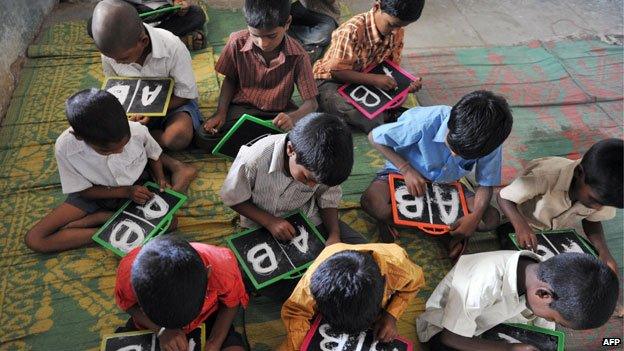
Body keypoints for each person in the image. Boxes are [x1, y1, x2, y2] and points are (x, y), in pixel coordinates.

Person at [24, 89, 195, 253]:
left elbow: (154, 154)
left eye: (124, 144)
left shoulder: (136, 130)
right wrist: (125, 192)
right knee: (35, 239)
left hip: (136, 185)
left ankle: (103, 220)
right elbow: (82, 191)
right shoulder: (65, 147)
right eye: (107, 151)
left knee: (170, 223)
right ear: (78, 136)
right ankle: (108, 230)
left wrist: (160, 178)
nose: (120, 152)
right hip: (95, 193)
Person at [361, 91, 513, 259]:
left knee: (490, 219)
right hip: (401, 174)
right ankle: (443, 231)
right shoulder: (422, 122)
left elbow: (486, 184)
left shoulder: (489, 142)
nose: (455, 155)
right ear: (450, 125)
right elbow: (374, 137)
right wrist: (406, 169)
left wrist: (475, 216)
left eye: (464, 154)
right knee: (372, 202)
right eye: (452, 146)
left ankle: (420, 223)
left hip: (447, 185)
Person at [416, 251, 619, 351]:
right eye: (558, 320)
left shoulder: (541, 272)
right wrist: (508, 349)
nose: (556, 322)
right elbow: (450, 339)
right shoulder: (482, 283)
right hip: (444, 329)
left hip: (491, 319)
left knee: (544, 339)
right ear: (542, 295)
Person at [220, 113, 367, 246]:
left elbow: (328, 197)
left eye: (317, 183)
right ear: (291, 150)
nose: (311, 186)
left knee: (364, 252)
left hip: (308, 216)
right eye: (307, 178)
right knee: (262, 272)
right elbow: (233, 198)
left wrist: (334, 235)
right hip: (260, 222)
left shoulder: (327, 168)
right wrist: (270, 222)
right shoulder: (254, 158)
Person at [195, 0, 318, 150]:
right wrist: (221, 113)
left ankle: (255, 143)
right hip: (242, 109)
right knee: (204, 135)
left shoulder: (299, 55)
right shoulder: (236, 42)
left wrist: (291, 118)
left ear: (287, 23)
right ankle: (265, 144)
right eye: (255, 35)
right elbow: (230, 80)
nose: (263, 43)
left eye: (271, 36)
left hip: (277, 115)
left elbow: (311, 104)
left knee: (310, 138)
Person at [497, 138, 623, 273]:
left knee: (573, 272)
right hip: (518, 224)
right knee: (522, 266)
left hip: (556, 234)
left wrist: (603, 251)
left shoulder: (605, 193)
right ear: (579, 173)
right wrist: (521, 225)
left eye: (603, 205)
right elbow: (504, 198)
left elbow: (593, 221)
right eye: (593, 200)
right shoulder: (545, 176)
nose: (597, 208)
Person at [90, 0, 203, 152]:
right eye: (111, 58)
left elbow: (185, 94)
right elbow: (116, 88)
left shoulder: (173, 47)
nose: (117, 62)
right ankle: (147, 143)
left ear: (143, 41)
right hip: (134, 108)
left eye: (123, 59)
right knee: (101, 135)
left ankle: (143, 142)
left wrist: (149, 112)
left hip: (174, 104)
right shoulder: (111, 55)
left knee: (178, 137)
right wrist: (129, 116)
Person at [279, 243, 425, 351]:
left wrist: (391, 315)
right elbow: (296, 312)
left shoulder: (399, 267)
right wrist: (300, 346)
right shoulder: (311, 283)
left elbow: (416, 282)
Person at [115, 236, 248, 351]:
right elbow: (128, 304)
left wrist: (214, 342)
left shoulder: (223, 268)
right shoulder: (129, 275)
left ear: (208, 274)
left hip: (208, 319)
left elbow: (232, 303)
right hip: (152, 327)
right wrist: (161, 330)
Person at [313, 0, 425, 133]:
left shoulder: (396, 32)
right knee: (346, 107)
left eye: (401, 26)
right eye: (391, 25)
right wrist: (374, 79)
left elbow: (391, 67)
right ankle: (389, 119)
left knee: (393, 97)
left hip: (367, 81)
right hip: (331, 81)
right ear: (377, 7)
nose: (395, 32)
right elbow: (337, 72)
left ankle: (387, 116)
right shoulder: (352, 30)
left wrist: (406, 86)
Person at [124, 0, 206, 51]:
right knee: (121, 39)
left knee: (196, 14)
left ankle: (152, 44)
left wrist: (178, 1)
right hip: (130, 16)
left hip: (161, 10)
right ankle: (179, 42)